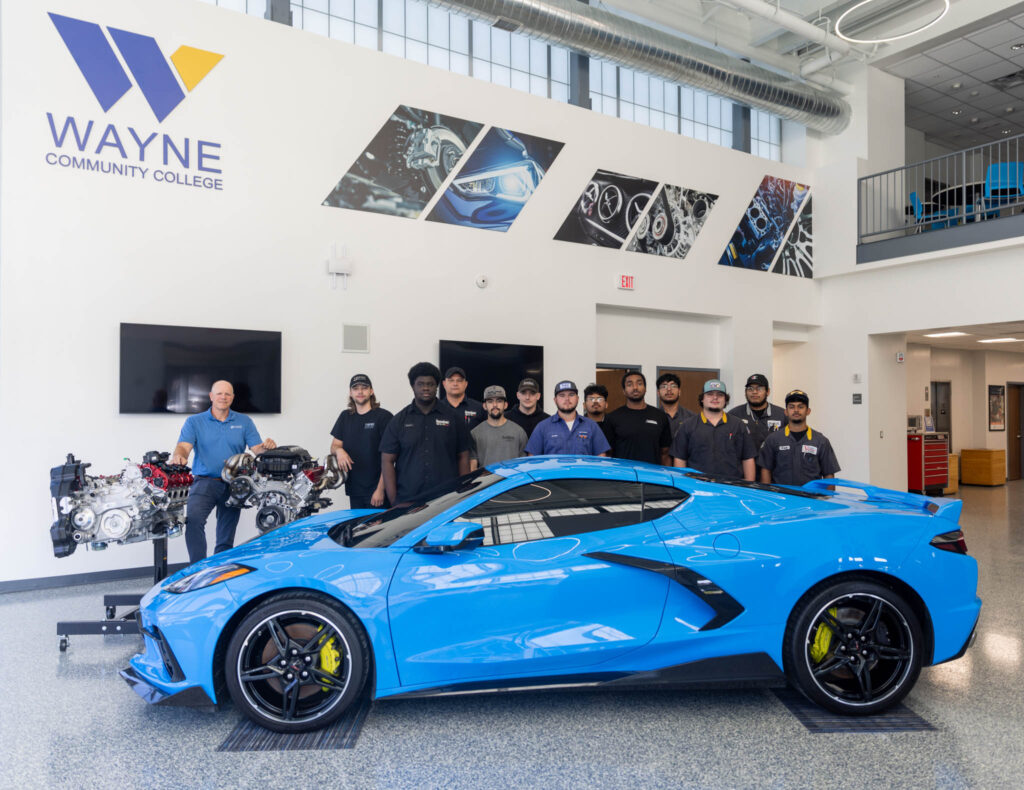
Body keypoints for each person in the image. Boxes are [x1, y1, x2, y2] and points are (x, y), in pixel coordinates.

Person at [171, 380, 277, 563]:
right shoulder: (195, 421)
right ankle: (197, 569)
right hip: (205, 482)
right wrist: (179, 456)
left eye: (227, 394)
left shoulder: (244, 421)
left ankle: (219, 570)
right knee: (194, 522)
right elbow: (183, 446)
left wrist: (268, 447)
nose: (223, 397)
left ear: (233, 398)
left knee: (226, 533)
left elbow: (257, 449)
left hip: (235, 484)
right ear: (211, 396)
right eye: (219, 393)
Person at [380, 362, 472, 504]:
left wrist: (463, 496)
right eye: (420, 384)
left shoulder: (453, 418)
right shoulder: (398, 421)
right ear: (412, 386)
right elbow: (387, 460)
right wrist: (394, 501)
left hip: (447, 500)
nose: (426, 388)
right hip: (408, 501)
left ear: (437, 386)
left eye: (430, 384)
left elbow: (463, 457)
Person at [670, 379, 755, 480]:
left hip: (732, 488)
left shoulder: (738, 425)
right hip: (697, 487)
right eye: (710, 394)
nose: (715, 397)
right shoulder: (687, 425)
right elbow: (680, 459)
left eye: (720, 394)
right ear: (702, 398)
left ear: (725, 399)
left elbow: (748, 458)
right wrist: (682, 485)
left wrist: (750, 487)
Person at [329, 374, 393, 509]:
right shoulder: (345, 417)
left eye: (364, 388)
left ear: (371, 391)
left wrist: (381, 490)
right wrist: (339, 451)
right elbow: (335, 445)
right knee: (357, 529)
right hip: (354, 490)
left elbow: (390, 457)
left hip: (377, 490)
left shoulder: (383, 417)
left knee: (378, 529)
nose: (360, 391)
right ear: (350, 393)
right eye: (356, 388)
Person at [759, 390, 841, 485]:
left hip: (810, 498)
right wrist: (768, 496)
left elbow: (829, 475)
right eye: (791, 407)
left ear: (808, 411)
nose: (796, 410)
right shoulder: (773, 439)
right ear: (785, 411)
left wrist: (827, 498)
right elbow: (766, 470)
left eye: (801, 407)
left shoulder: (821, 441)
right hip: (781, 497)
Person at [524, 380, 611, 456]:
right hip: (555, 475)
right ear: (555, 400)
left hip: (583, 475)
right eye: (562, 395)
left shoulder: (591, 426)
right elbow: (532, 458)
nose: (567, 399)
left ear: (577, 399)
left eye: (571, 394)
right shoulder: (542, 427)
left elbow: (601, 456)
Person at [604, 370, 672, 465]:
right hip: (624, 476)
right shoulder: (612, 418)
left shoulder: (660, 416)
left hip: (653, 476)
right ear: (624, 391)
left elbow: (665, 453)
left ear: (645, 388)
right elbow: (608, 454)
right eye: (629, 384)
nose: (635, 387)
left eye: (639, 383)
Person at [728, 374, 787, 469]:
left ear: (768, 392)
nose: (754, 392)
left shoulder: (782, 415)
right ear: (745, 392)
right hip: (742, 473)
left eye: (759, 388)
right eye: (750, 388)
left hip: (773, 473)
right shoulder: (734, 415)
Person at [470, 385, 528, 470]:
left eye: (499, 401)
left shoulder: (518, 432)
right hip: (487, 482)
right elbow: (472, 468)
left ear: (505, 405)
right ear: (484, 406)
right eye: (490, 401)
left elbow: (524, 465)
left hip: (513, 482)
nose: (495, 405)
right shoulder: (475, 433)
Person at [655, 372, 696, 438]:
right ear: (658, 393)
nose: (669, 389)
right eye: (664, 386)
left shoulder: (691, 417)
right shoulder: (653, 417)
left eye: (673, 386)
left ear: (679, 392)